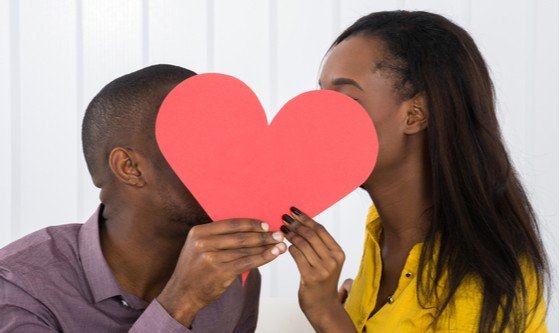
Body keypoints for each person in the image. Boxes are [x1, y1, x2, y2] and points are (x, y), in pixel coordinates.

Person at [281, 11, 549, 332]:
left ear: (415, 114)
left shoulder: (480, 278)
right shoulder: (381, 227)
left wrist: (326, 312)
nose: (317, 118)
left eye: (347, 99)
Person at [0, 64, 287, 332]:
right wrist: (181, 301)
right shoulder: (20, 286)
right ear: (130, 168)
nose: (237, 163)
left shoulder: (235, 282)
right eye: (203, 142)